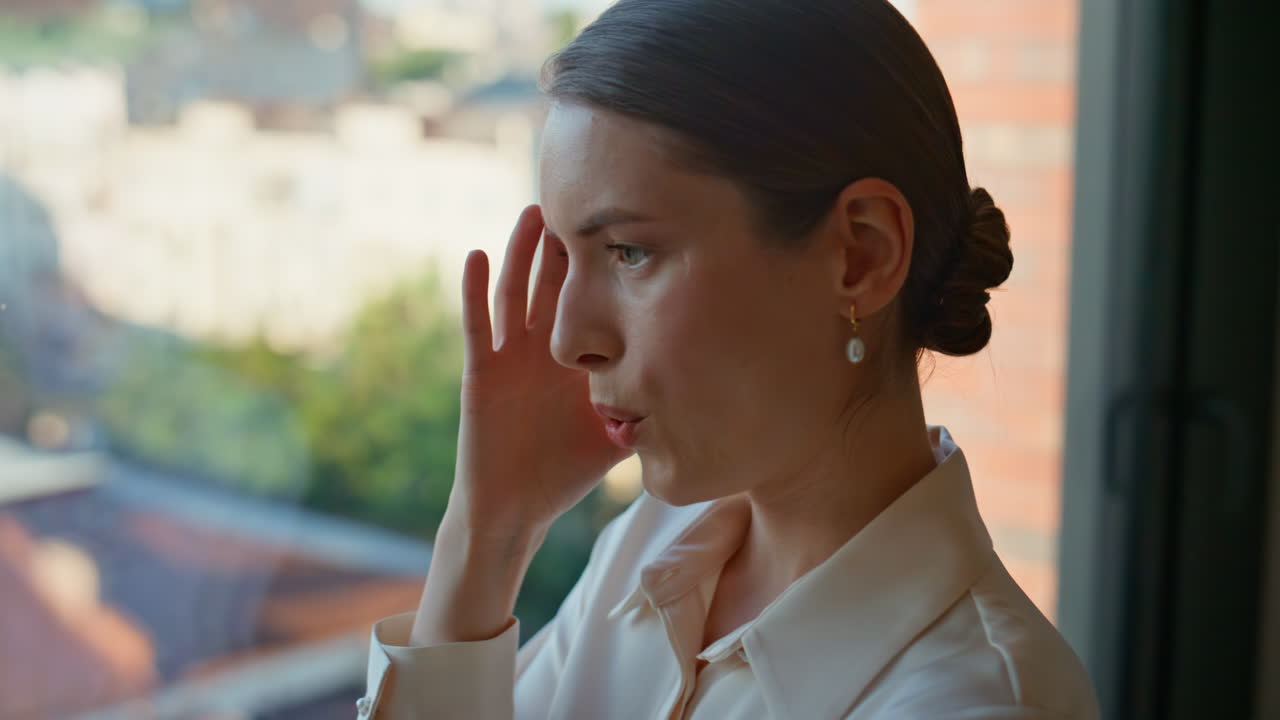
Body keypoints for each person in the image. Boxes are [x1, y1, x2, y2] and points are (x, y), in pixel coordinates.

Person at [359, 0, 1100, 717]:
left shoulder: (978, 704)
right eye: (567, 254)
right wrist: (490, 531)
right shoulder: (648, 553)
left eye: (629, 251)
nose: (565, 341)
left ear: (861, 253)